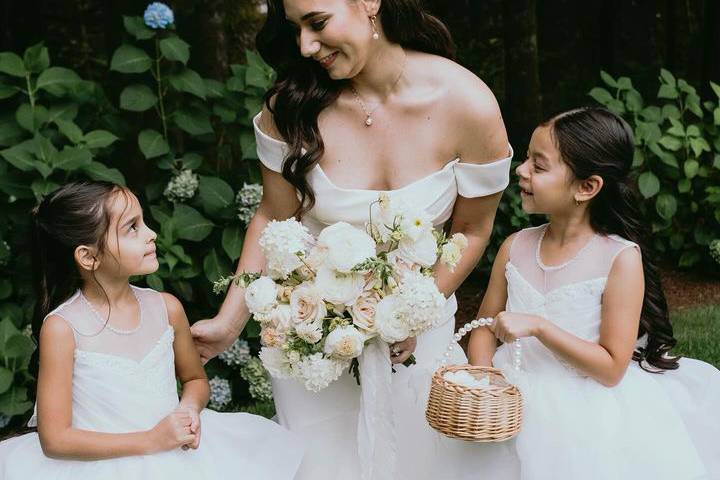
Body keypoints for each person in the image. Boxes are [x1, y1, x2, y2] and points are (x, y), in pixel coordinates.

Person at [190, 1, 518, 478]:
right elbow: (273, 218)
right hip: (313, 345)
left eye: (317, 23)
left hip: (417, 337)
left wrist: (415, 309)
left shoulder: (467, 104)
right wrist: (228, 321)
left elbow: (472, 229)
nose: (305, 46)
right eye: (295, 29)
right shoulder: (291, 107)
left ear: (369, 3)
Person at [468, 107, 720, 479]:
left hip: (583, 407)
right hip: (508, 392)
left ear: (586, 187)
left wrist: (540, 326)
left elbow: (611, 367)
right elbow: (484, 326)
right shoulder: (515, 246)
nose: (521, 170)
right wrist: (484, 378)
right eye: (526, 160)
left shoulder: (618, 258)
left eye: (539, 166)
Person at [0, 181, 303, 479]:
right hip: (100, 464)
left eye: (143, 222)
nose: (151, 234)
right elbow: (55, 439)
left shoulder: (166, 309)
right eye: (132, 227)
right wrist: (150, 440)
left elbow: (195, 379)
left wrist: (188, 409)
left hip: (177, 454)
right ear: (89, 257)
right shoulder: (63, 328)